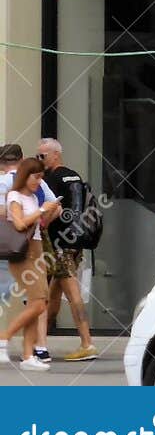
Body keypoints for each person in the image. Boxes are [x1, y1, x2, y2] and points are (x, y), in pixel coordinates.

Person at [37, 139, 96, 362]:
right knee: (53, 292)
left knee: (72, 294)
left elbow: (48, 209)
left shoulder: (51, 179)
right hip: (76, 241)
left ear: (55, 155)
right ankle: (40, 339)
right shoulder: (75, 176)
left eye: (42, 156)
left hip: (59, 244)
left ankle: (87, 342)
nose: (39, 160)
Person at [4, 157, 61, 370]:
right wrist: (41, 211)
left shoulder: (34, 199)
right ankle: (4, 336)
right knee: (38, 303)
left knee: (39, 303)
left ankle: (28, 355)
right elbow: (19, 224)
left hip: (37, 249)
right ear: (25, 176)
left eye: (41, 177)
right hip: (24, 253)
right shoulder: (14, 195)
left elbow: (38, 224)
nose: (39, 181)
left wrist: (45, 211)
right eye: (36, 177)